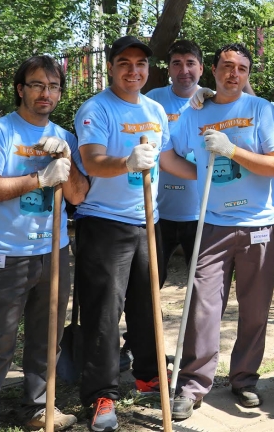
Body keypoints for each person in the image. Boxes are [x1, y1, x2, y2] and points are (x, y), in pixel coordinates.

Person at [160, 43, 274, 418]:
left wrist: (232, 151)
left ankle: (244, 379)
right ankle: (193, 385)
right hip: (212, 223)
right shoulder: (196, 111)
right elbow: (168, 156)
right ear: (213, 70)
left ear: (248, 75)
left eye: (242, 68)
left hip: (258, 224)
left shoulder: (260, 109)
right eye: (227, 66)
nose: (234, 74)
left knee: (255, 308)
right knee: (203, 304)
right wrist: (201, 175)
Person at [0, 55, 88, 431]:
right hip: (8, 254)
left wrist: (66, 160)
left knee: (47, 337)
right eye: (37, 85)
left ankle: (39, 409)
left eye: (53, 87)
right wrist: (39, 179)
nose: (45, 93)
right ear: (21, 89)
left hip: (53, 250)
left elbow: (79, 196)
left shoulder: (65, 137)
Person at [74, 35, 170, 432]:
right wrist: (127, 161)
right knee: (104, 313)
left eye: (141, 64)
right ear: (111, 67)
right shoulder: (95, 109)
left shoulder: (155, 110)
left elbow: (167, 161)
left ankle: (148, 375)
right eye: (125, 63)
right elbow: (93, 161)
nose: (134, 71)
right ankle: (101, 395)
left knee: (148, 303)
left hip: (148, 218)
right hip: (104, 222)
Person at [146, 39, 204, 284]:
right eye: (177, 64)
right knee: (151, 280)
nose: (184, 71)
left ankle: (197, 325)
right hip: (159, 211)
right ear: (168, 68)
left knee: (202, 284)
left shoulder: (213, 100)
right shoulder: (152, 101)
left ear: (201, 68)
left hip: (201, 212)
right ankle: (151, 323)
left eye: (191, 63)